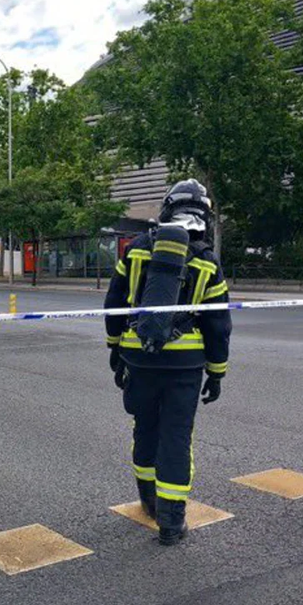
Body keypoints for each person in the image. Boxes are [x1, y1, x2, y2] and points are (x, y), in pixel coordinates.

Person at [105, 179, 232, 545]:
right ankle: (172, 521)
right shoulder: (207, 261)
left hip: (140, 358)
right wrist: (217, 371)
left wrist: (116, 349)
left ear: (167, 208)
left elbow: (114, 306)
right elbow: (219, 325)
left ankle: (148, 500)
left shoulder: (136, 250)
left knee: (145, 428)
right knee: (176, 437)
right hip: (185, 367)